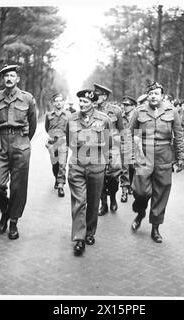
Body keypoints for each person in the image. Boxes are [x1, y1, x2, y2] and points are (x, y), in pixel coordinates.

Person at [129, 82, 184, 243]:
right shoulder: (139, 111)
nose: (154, 96)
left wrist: (180, 157)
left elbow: (179, 135)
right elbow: (130, 134)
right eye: (151, 93)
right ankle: (140, 212)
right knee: (140, 191)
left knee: (161, 191)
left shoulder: (171, 110)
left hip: (163, 154)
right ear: (148, 95)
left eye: (157, 93)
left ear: (162, 95)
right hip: (144, 153)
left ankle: (155, 228)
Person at [0, 65, 37, 240]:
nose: (9, 78)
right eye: (6, 76)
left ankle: (13, 222)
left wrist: (23, 141)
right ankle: (5, 210)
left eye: (12, 75)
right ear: (3, 79)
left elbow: (32, 123)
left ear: (17, 79)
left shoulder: (27, 98)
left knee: (18, 187)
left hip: (20, 144)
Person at [66, 89, 111, 256]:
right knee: (79, 201)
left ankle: (90, 231)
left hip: (96, 165)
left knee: (93, 201)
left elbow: (108, 142)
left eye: (85, 102)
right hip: (77, 164)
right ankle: (79, 238)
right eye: (81, 102)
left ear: (93, 103)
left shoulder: (104, 119)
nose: (82, 105)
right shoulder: (71, 119)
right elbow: (68, 139)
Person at [93, 83, 124, 216]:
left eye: (97, 95)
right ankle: (104, 204)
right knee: (99, 176)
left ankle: (113, 197)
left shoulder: (115, 110)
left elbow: (122, 130)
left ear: (104, 96)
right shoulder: (92, 110)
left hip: (113, 148)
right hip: (98, 148)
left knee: (113, 177)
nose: (94, 97)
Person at [45, 93, 70, 197]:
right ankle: (57, 178)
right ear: (53, 103)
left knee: (62, 164)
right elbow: (47, 128)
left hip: (63, 141)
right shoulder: (49, 115)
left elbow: (70, 129)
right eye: (56, 101)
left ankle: (60, 185)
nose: (58, 103)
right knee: (55, 164)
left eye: (60, 100)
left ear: (64, 102)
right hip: (52, 142)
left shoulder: (68, 115)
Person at [120, 95, 137, 202]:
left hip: (135, 144)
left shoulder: (137, 117)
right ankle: (124, 191)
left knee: (133, 167)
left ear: (133, 106)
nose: (125, 107)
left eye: (127, 105)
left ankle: (131, 185)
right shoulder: (120, 117)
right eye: (124, 105)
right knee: (124, 169)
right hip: (123, 144)